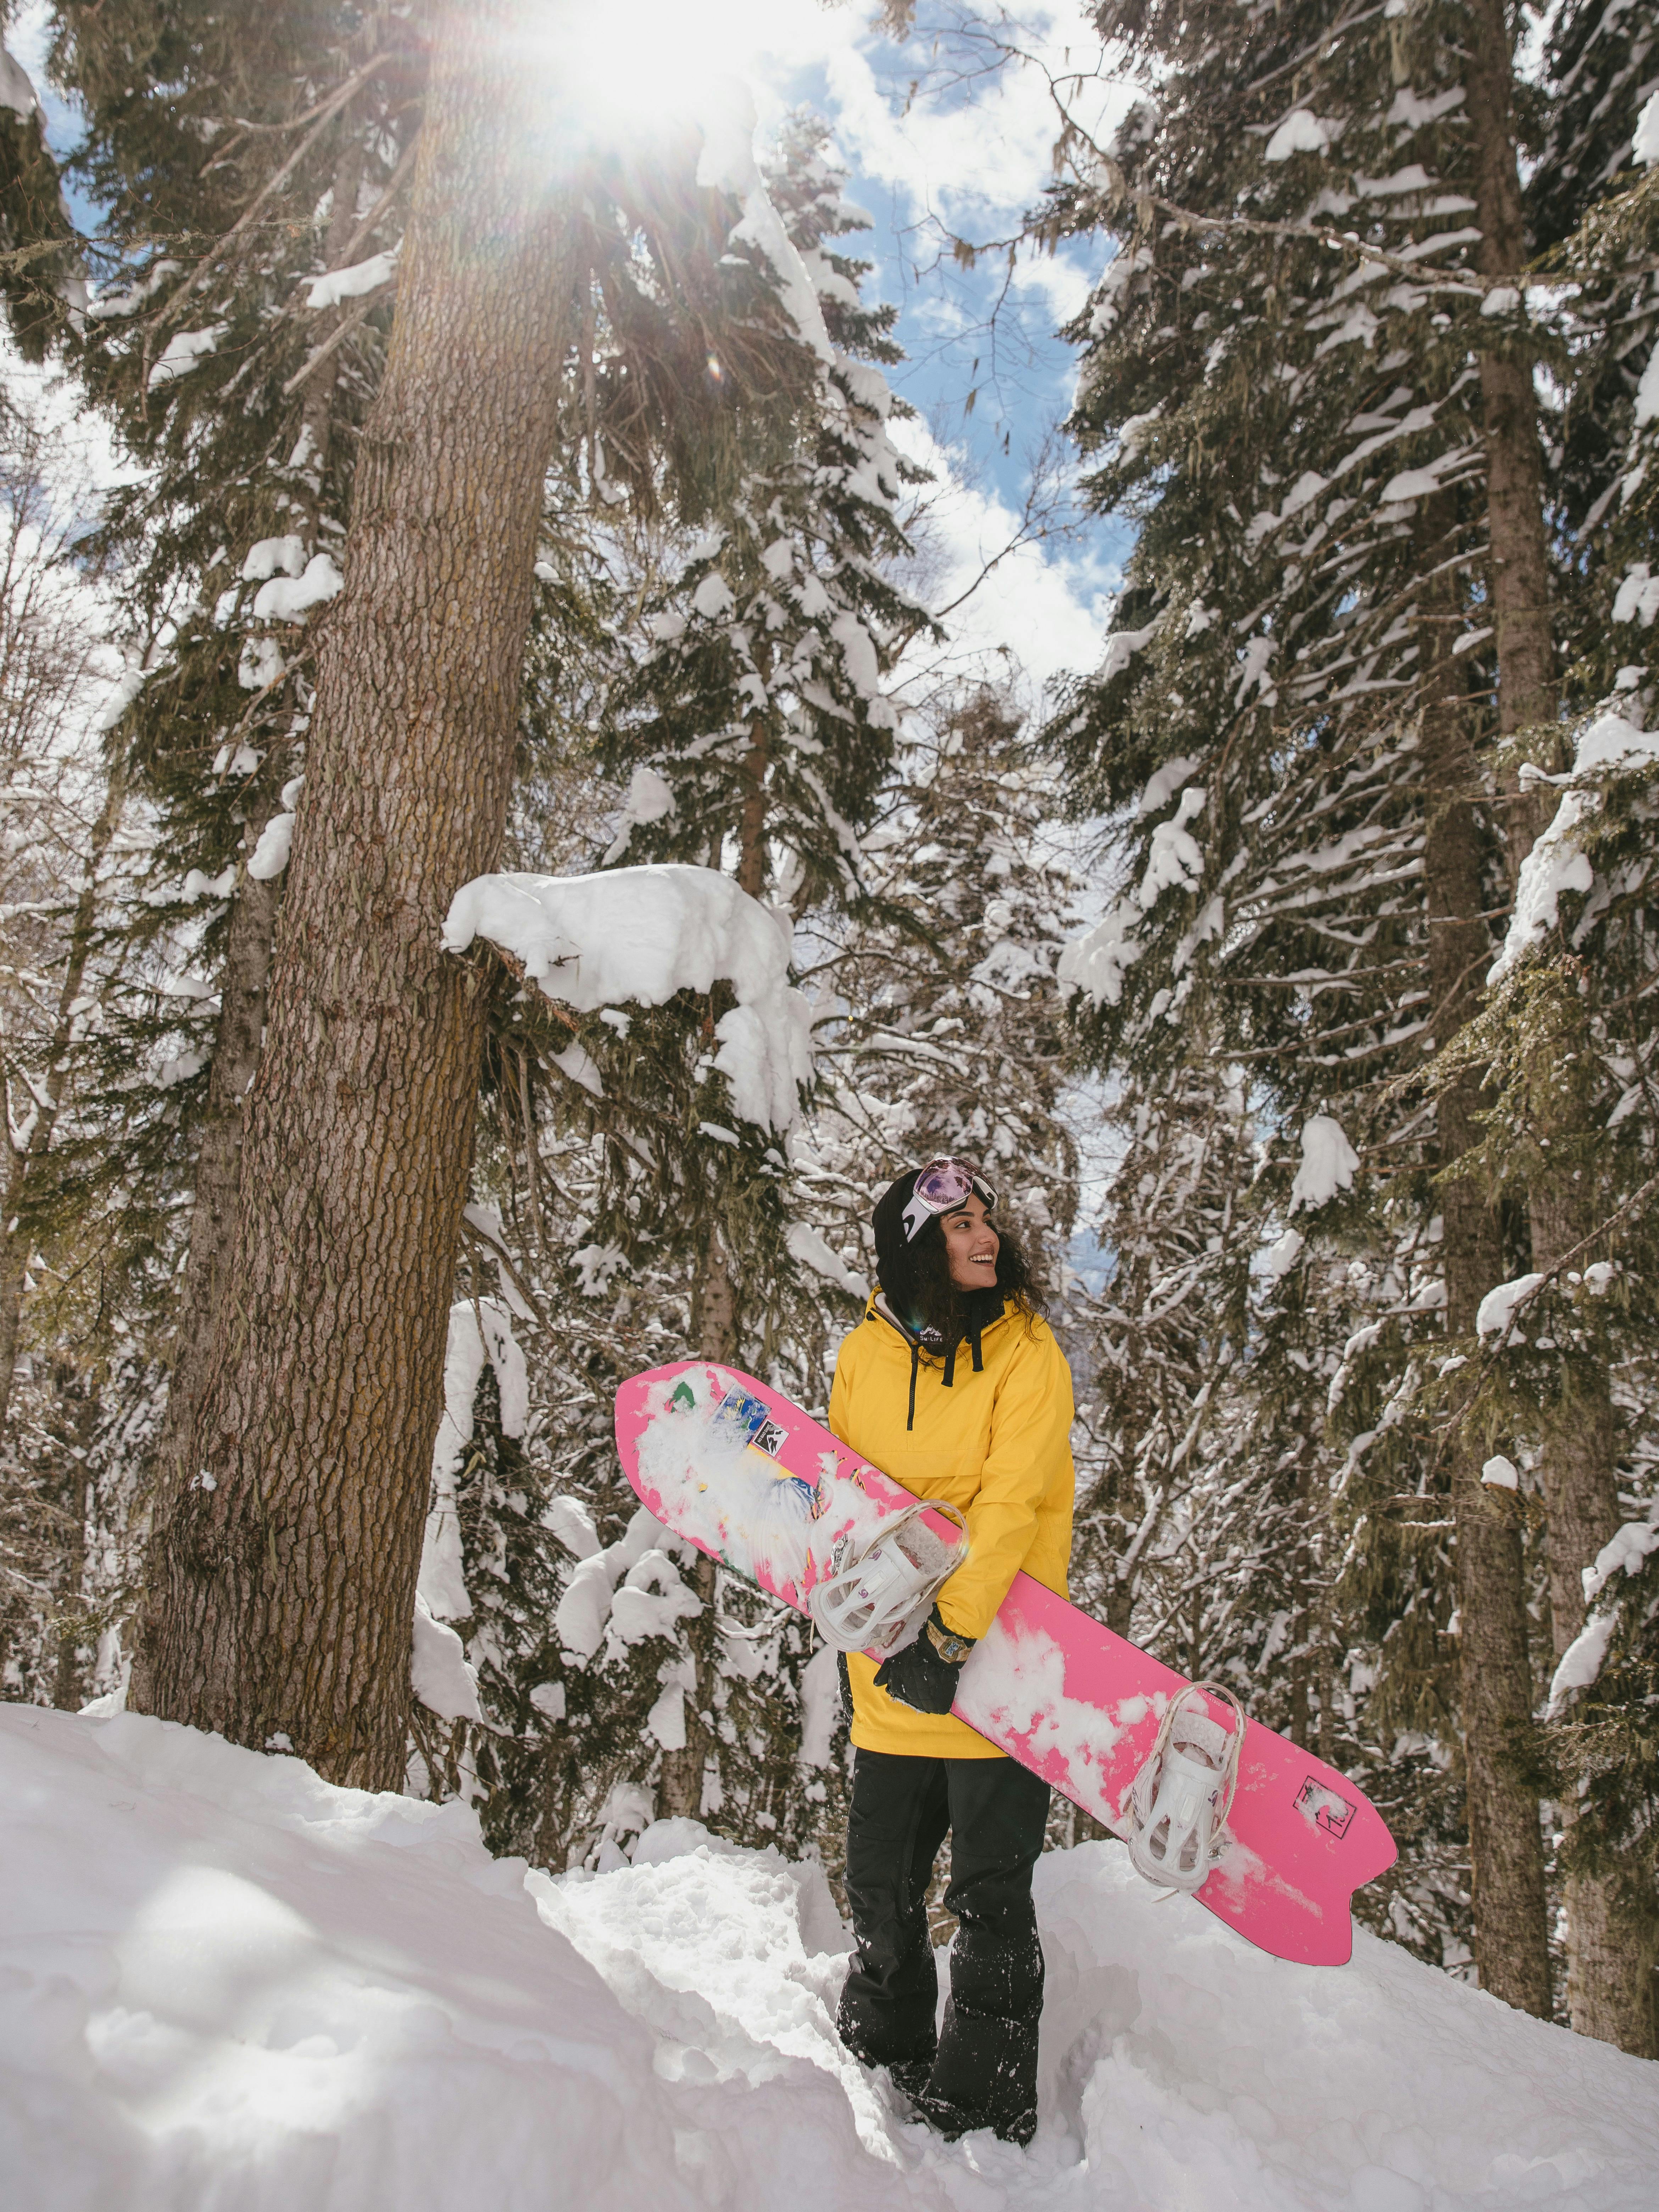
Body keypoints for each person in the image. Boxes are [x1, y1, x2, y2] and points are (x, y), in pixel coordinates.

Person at [826, 1156, 1075, 2147]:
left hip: (1001, 1660)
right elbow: (843, 1499)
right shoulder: (864, 1356)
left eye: (987, 1221)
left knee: (989, 1901)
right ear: (913, 1248)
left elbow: (1012, 1505)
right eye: (959, 1225)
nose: (985, 1238)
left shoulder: (1028, 1351)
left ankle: (985, 2101)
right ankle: (883, 2049)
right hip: (892, 1673)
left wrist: (953, 1630)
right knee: (881, 1885)